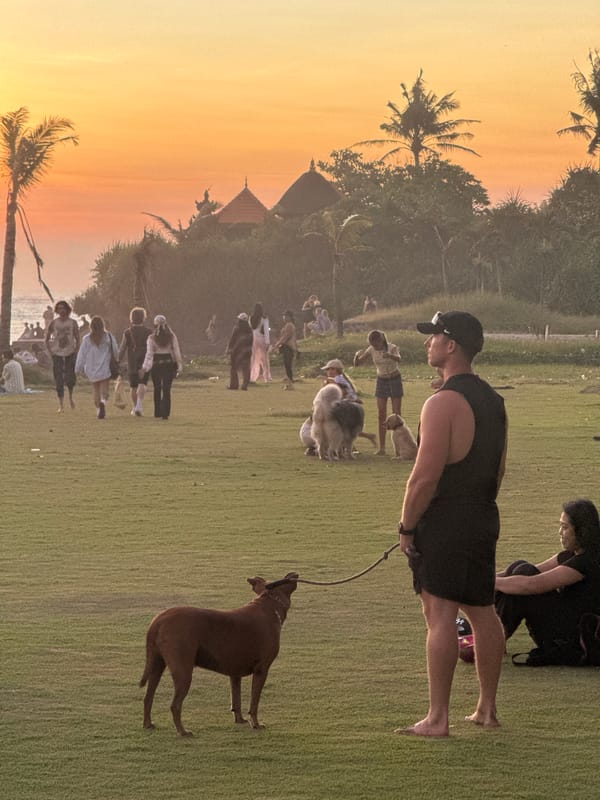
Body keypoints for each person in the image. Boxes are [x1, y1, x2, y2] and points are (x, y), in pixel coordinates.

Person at [397, 311, 508, 737]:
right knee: (482, 612)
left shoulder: (441, 402)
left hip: (445, 520)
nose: (428, 344)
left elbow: (424, 477)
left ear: (451, 345)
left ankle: (437, 718)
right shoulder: (494, 401)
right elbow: (499, 470)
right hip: (482, 514)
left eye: (434, 337)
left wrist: (407, 526)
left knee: (439, 614)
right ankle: (486, 709)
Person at [495, 499, 600, 664]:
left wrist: (488, 582)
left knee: (523, 574)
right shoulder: (572, 555)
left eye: (565, 527)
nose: (560, 532)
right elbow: (527, 571)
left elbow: (533, 584)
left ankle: (491, 640)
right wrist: (484, 577)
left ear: (582, 531)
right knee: (519, 566)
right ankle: (492, 638)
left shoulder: (588, 561)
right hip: (563, 624)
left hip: (570, 639)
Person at [353, 330, 403, 455]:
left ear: (382, 340)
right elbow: (358, 363)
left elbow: (399, 359)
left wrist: (390, 356)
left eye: (376, 344)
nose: (375, 347)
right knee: (381, 414)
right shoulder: (371, 349)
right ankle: (382, 448)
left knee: (396, 415)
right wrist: (356, 357)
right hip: (381, 380)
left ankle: (400, 447)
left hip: (395, 379)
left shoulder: (392, 347)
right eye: (372, 344)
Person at [321, 358, 376, 448]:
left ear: (337, 370)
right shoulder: (342, 379)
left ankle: (339, 447)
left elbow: (341, 394)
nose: (329, 371)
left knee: (341, 427)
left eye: (332, 369)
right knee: (349, 428)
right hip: (352, 405)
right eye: (328, 369)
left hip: (346, 406)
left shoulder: (336, 380)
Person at [75, 315, 118, 419]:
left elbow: (81, 355)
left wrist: (77, 368)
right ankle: (103, 402)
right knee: (105, 390)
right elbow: (115, 350)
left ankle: (99, 409)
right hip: (105, 366)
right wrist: (116, 360)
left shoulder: (86, 339)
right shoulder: (108, 336)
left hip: (91, 368)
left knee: (95, 389)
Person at [141, 314, 183, 419]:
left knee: (157, 388)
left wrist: (145, 367)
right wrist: (179, 365)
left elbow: (149, 354)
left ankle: (158, 412)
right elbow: (176, 351)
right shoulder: (172, 336)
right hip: (168, 364)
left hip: (156, 364)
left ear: (154, 325)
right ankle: (165, 413)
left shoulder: (151, 338)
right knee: (166, 388)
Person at [45, 300, 80, 412]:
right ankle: (61, 404)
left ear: (67, 309)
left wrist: (76, 350)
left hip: (70, 353)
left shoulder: (73, 323)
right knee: (58, 378)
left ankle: (70, 397)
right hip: (57, 353)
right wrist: (50, 351)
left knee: (70, 377)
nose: (61, 310)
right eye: (59, 308)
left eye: (63, 308)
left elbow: (77, 338)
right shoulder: (54, 323)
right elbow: (46, 338)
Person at [118, 306, 152, 416]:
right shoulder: (149, 332)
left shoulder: (127, 332)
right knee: (142, 383)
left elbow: (122, 348)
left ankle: (135, 406)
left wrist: (117, 361)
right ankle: (139, 405)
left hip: (132, 361)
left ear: (131, 318)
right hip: (145, 360)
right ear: (143, 318)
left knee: (133, 386)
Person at [226, 312, 253, 390]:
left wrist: (229, 349)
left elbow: (232, 340)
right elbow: (251, 341)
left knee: (234, 369)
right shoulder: (250, 330)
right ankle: (245, 385)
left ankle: (234, 385)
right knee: (246, 369)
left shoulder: (237, 328)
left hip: (237, 352)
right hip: (247, 352)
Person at [271, 310, 298, 383]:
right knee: (287, 363)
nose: (284, 317)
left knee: (288, 364)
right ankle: (288, 378)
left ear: (289, 317)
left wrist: (276, 345)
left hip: (288, 347)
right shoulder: (288, 325)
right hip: (286, 347)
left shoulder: (289, 325)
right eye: (284, 316)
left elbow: (285, 337)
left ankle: (290, 379)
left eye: (285, 316)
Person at [249, 303, 271, 382]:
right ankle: (267, 377)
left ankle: (252, 377)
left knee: (253, 358)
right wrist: (267, 342)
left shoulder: (251, 318)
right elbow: (266, 331)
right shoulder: (264, 318)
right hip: (262, 338)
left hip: (253, 338)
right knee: (264, 359)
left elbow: (250, 329)